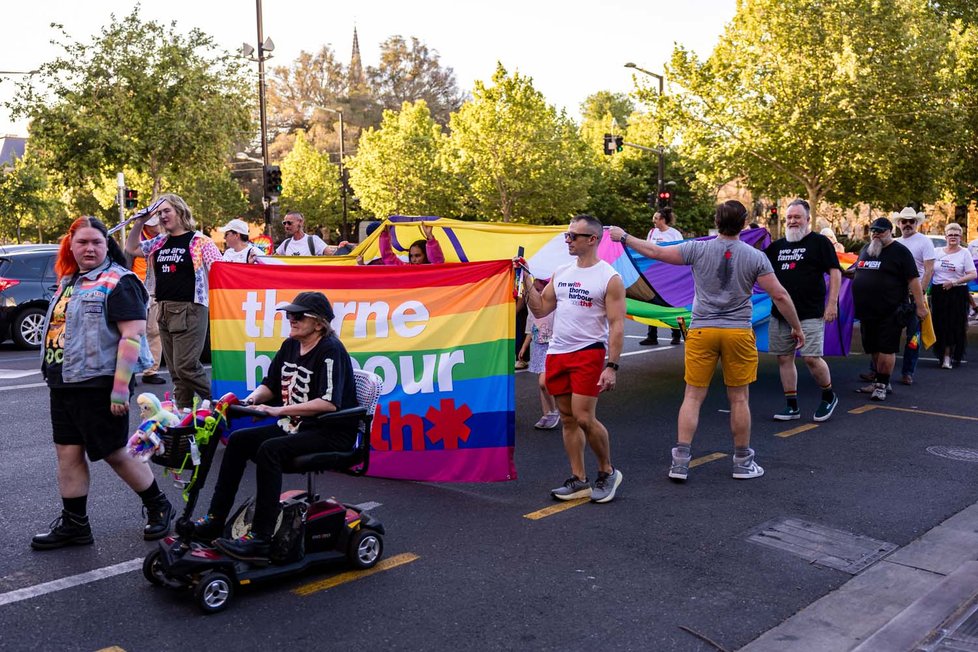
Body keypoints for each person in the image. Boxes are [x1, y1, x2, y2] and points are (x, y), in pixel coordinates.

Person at [609, 200, 804, 482]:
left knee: (692, 396)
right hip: (737, 331)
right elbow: (781, 295)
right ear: (743, 222)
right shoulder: (755, 256)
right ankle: (742, 462)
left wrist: (624, 237)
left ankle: (680, 462)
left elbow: (654, 251)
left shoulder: (697, 249)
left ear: (717, 220)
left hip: (702, 329)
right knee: (739, 398)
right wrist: (796, 327)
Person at [32, 217, 174, 550]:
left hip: (100, 384)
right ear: (71, 245)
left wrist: (120, 388)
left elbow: (131, 336)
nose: (90, 248)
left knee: (114, 453)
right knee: (68, 454)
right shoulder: (70, 280)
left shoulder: (118, 281)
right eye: (82, 242)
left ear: (105, 244)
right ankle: (76, 525)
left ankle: (158, 505)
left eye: (96, 241)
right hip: (64, 382)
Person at [193, 292, 358, 561]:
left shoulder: (331, 350)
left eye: (298, 315)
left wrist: (278, 410)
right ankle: (214, 518)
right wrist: (251, 400)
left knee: (270, 450)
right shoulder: (290, 346)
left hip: (330, 431)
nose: (290, 319)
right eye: (289, 314)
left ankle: (261, 536)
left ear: (319, 324)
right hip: (296, 426)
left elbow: (329, 403)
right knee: (238, 440)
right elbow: (270, 384)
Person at [519, 215, 625, 503]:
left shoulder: (609, 277)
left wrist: (612, 366)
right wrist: (526, 278)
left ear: (592, 239)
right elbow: (540, 309)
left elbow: (617, 325)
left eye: (573, 236)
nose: (568, 240)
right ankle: (579, 479)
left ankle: (608, 471)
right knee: (567, 419)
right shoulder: (562, 272)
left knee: (583, 417)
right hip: (558, 352)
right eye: (567, 235)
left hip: (588, 352)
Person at [125, 193, 222, 410]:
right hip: (163, 308)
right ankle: (183, 414)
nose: (162, 216)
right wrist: (139, 222)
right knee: (176, 372)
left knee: (186, 366)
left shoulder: (200, 241)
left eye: (166, 211)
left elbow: (221, 269)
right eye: (159, 213)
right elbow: (131, 249)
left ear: (180, 211)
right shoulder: (159, 242)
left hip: (191, 308)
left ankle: (222, 405)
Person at [766, 200, 842, 422]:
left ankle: (829, 396)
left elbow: (835, 272)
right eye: (789, 217)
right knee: (784, 358)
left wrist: (832, 303)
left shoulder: (819, 243)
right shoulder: (777, 247)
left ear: (808, 220)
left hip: (810, 312)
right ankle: (792, 407)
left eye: (797, 217)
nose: (792, 221)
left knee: (810, 357)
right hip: (780, 314)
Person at [848, 217, 928, 401]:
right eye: (873, 230)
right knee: (873, 348)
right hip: (867, 311)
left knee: (886, 348)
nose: (876, 234)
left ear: (890, 232)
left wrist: (921, 306)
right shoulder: (866, 249)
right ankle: (880, 380)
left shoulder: (900, 252)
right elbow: (862, 270)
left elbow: (913, 280)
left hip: (891, 310)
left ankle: (882, 386)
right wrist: (850, 274)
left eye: (880, 231)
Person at [891, 207, 935, 385]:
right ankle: (876, 370)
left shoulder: (925, 242)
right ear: (899, 223)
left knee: (913, 336)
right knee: (887, 333)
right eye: (904, 221)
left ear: (917, 223)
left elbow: (929, 270)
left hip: (914, 297)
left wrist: (920, 295)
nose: (908, 224)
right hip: (894, 296)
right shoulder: (893, 243)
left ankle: (908, 372)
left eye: (911, 221)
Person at [930, 222, 976, 368]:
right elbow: (929, 270)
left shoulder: (964, 253)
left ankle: (948, 357)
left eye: (956, 235)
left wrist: (954, 282)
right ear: (945, 236)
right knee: (939, 325)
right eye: (950, 234)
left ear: (961, 237)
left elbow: (972, 274)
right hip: (938, 293)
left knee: (953, 326)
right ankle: (941, 354)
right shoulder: (937, 252)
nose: (953, 237)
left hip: (956, 293)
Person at [517, 278, 559, 430]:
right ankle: (547, 413)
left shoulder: (553, 304)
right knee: (541, 384)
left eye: (538, 287)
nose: (536, 290)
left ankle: (554, 411)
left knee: (544, 382)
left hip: (552, 344)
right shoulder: (533, 306)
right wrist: (524, 346)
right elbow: (531, 326)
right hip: (538, 345)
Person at [640, 207, 684, 346]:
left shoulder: (674, 234)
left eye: (656, 218)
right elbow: (647, 249)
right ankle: (652, 336)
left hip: (670, 273)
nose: (654, 221)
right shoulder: (652, 232)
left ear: (663, 220)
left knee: (672, 304)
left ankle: (677, 334)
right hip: (654, 274)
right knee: (653, 302)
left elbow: (680, 251)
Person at [130, 215, 165, 385]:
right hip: (136, 291)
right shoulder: (138, 242)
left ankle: (151, 371)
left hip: (153, 292)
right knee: (132, 332)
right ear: (145, 227)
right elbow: (126, 261)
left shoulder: (162, 240)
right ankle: (129, 371)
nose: (156, 227)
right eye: (153, 225)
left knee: (154, 331)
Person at [377, 223, 445, 265]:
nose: (413, 260)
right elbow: (388, 257)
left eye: (417, 256)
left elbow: (437, 262)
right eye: (411, 256)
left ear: (427, 255)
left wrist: (430, 237)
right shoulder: (407, 269)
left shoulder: (434, 270)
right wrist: (384, 235)